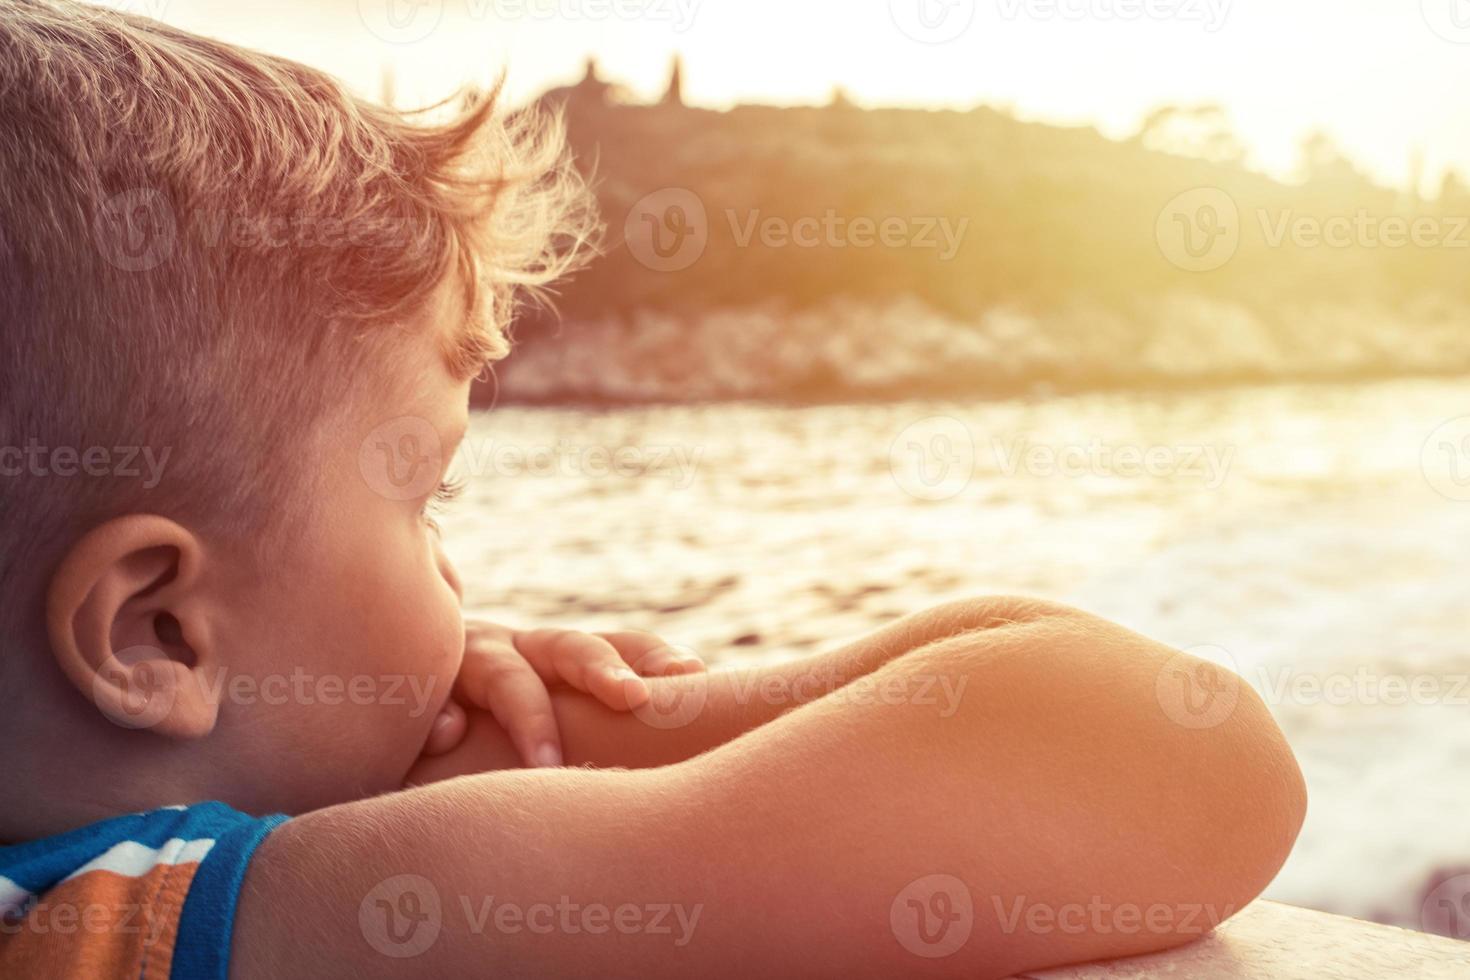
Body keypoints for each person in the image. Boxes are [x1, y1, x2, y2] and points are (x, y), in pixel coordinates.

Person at [0, 2, 1306, 976]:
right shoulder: (178, 926)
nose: (464, 594)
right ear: (154, 632)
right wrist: (615, 727)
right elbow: (1177, 758)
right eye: (426, 500)